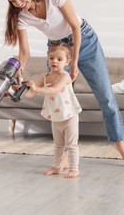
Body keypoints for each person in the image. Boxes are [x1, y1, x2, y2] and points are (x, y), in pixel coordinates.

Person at [2, 0, 124, 167]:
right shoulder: (21, 16)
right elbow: (24, 52)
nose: (19, 4)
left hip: (84, 41)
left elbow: (75, 27)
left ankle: (119, 143)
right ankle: (65, 152)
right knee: (57, 99)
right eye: (13, 1)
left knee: (105, 96)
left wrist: (74, 62)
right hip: (56, 48)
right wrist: (19, 69)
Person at [25, 41, 82, 178]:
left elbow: (55, 90)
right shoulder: (44, 77)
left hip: (69, 116)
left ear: (67, 62)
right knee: (58, 145)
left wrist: (37, 88)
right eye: (51, 58)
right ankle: (56, 167)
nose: (54, 61)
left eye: (59, 59)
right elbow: (30, 95)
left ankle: (74, 169)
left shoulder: (65, 76)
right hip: (56, 117)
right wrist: (19, 90)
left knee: (72, 145)